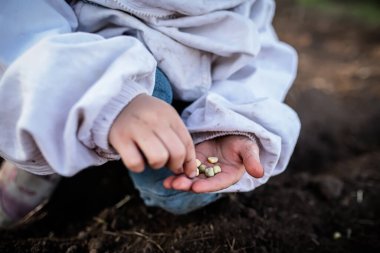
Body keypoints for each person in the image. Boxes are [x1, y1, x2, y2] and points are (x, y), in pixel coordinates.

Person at [0, 0, 300, 227]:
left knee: (184, 189)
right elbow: (17, 25)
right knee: (58, 118)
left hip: (196, 88)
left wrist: (232, 122)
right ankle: (53, 149)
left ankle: (128, 163)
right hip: (87, 63)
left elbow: (257, 48)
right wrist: (110, 100)